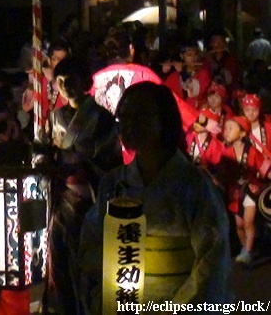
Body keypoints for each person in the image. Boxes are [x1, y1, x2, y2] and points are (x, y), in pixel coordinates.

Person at [79, 82, 231, 311]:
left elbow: (212, 263)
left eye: (139, 115)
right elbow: (91, 247)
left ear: (164, 119)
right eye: (123, 117)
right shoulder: (113, 184)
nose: (129, 125)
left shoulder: (193, 185)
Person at [39, 57, 122, 315]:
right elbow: (40, 148)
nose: (65, 87)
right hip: (60, 196)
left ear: (85, 82)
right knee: (59, 259)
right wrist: (43, 163)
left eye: (70, 80)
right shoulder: (54, 118)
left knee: (85, 264)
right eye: (60, 82)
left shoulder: (102, 119)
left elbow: (111, 163)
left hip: (89, 201)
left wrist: (84, 167)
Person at [212, 115, 269, 264]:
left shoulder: (252, 151)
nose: (226, 131)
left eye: (231, 128)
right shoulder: (226, 152)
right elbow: (221, 173)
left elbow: (264, 167)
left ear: (243, 133)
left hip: (250, 190)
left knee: (248, 221)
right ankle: (246, 249)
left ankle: (248, 251)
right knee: (239, 225)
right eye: (226, 128)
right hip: (234, 193)